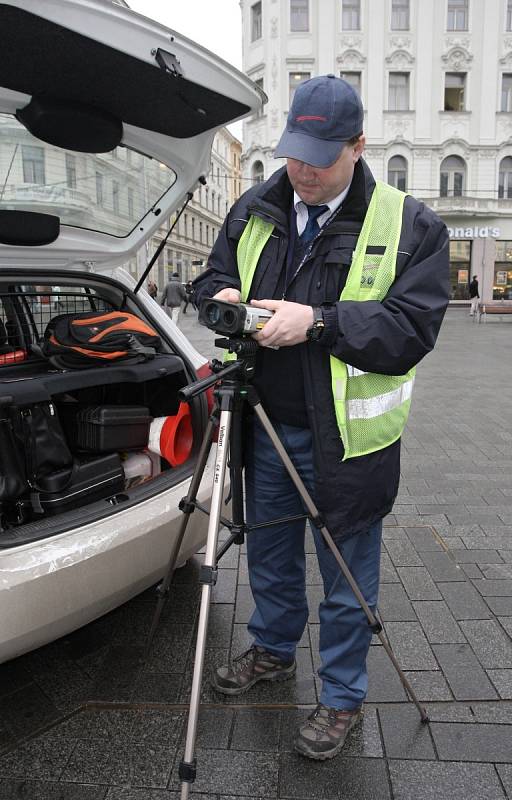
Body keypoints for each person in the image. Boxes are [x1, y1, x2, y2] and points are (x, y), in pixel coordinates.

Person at [193, 75, 450, 761]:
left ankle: (340, 696)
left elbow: (410, 329)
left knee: (345, 575)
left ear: (358, 146)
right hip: (266, 429)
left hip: (350, 442)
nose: (302, 169)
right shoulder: (255, 206)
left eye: (319, 155)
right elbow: (210, 277)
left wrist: (320, 323)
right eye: (293, 153)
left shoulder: (410, 224)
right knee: (271, 558)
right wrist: (215, 293)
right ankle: (273, 650)